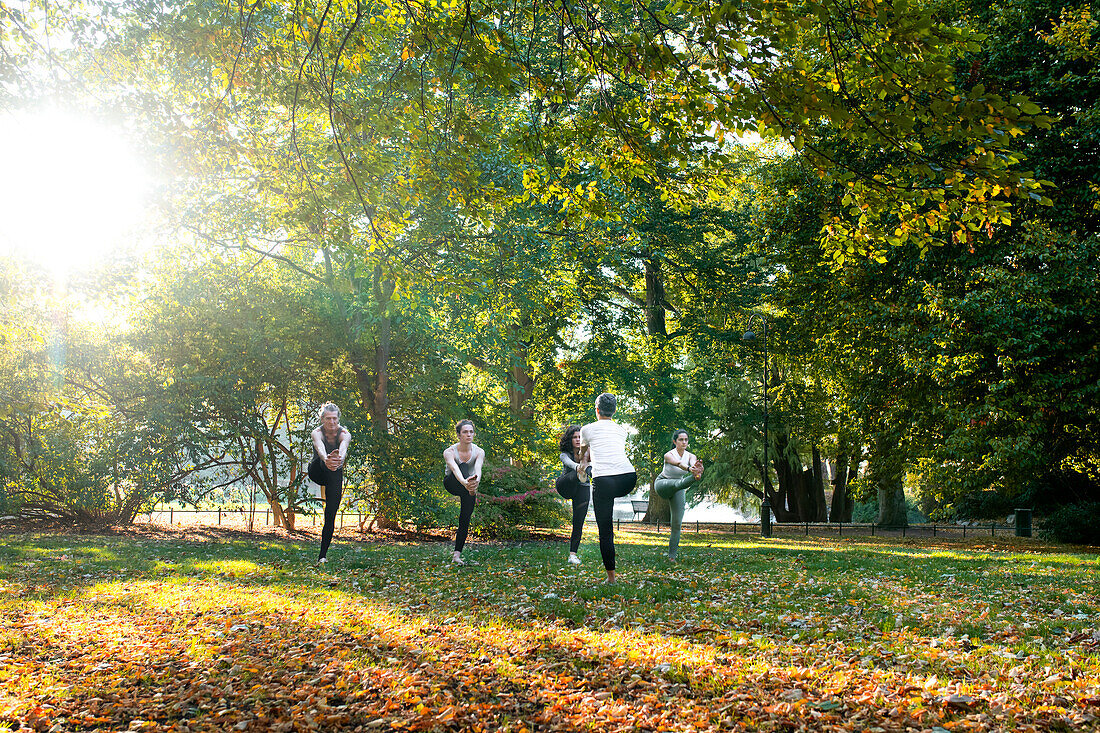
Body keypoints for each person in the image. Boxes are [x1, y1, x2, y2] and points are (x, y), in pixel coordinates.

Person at [580, 393, 636, 583]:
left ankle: (611, 578)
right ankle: (589, 471)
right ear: (614, 411)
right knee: (598, 478)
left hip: (604, 480)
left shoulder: (586, 429)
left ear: (596, 410)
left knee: (605, 531)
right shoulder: (622, 430)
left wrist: (583, 462)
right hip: (628, 478)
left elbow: (583, 452)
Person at [308, 402, 352, 564]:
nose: (331, 422)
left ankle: (322, 556)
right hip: (317, 470)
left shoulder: (345, 433)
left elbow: (344, 448)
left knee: (330, 513)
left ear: (338, 419)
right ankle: (329, 461)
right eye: (328, 419)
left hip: (334, 471)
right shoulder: (317, 432)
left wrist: (338, 459)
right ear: (322, 419)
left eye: (334, 419)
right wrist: (327, 458)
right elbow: (319, 446)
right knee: (324, 461)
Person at [653, 429, 704, 560]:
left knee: (676, 524)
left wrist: (695, 467)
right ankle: (694, 478)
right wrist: (690, 470)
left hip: (678, 489)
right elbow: (678, 464)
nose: (684, 442)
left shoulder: (690, 455)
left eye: (686, 440)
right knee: (677, 483)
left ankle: (672, 557)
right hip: (663, 484)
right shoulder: (668, 454)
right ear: (675, 441)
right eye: (681, 440)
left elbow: (693, 462)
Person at [443, 419, 485, 565]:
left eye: (471, 432)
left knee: (465, 519)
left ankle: (456, 555)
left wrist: (475, 482)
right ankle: (471, 488)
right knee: (463, 467)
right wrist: (466, 483)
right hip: (453, 483)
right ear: (459, 435)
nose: (469, 435)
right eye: (465, 432)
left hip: (470, 486)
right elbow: (455, 470)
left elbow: (478, 469)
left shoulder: (479, 451)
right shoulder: (449, 452)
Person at [555, 425, 591, 565]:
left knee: (578, 521)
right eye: (574, 437)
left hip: (582, 488)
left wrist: (587, 461)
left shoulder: (589, 452)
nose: (577, 439)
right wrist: (580, 467)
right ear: (570, 439)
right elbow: (568, 463)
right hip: (566, 485)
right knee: (574, 474)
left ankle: (572, 555)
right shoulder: (565, 454)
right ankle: (579, 475)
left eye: (579, 437)